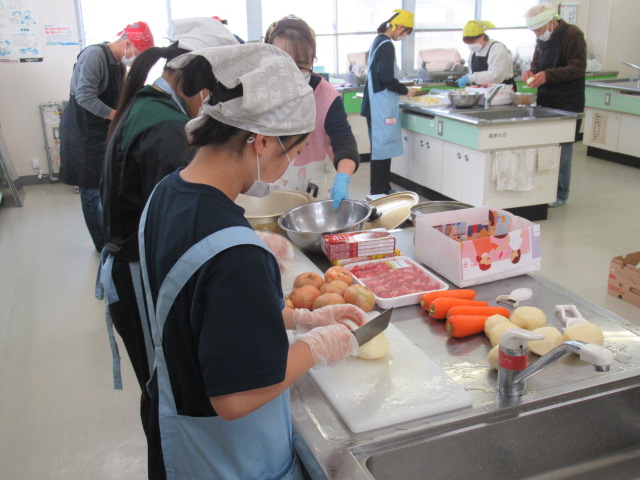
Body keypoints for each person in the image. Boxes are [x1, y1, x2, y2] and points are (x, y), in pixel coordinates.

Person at [138, 43, 369, 479]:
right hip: (230, 459)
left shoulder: (166, 194)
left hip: (178, 438)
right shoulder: (237, 253)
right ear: (261, 141)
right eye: (293, 152)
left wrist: (296, 318)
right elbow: (236, 397)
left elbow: (201, 315)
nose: (290, 166)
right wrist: (314, 347)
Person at [97, 18, 238, 438]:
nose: (212, 105)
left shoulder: (147, 103)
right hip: (139, 279)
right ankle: (170, 462)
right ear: (197, 82)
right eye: (215, 94)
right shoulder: (165, 129)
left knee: (156, 387)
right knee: (164, 391)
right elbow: (181, 225)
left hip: (129, 271)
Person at [59, 22, 154, 252]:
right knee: (91, 191)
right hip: (82, 133)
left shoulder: (118, 64)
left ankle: (111, 236)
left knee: (106, 187)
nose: (136, 60)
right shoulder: (95, 56)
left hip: (102, 131)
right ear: (127, 43)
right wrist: (117, 116)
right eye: (138, 54)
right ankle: (102, 245)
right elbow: (84, 96)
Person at [265, 15, 360, 209]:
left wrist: (343, 177)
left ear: (312, 61)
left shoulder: (326, 96)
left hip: (309, 189)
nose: (292, 72)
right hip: (265, 188)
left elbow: (344, 140)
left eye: (301, 65)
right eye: (283, 63)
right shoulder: (258, 91)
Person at [523, 4, 586, 208]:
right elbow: (537, 63)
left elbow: (578, 67)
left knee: (563, 150)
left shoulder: (572, 34)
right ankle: (543, 190)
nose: (537, 35)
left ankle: (560, 193)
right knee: (545, 146)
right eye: (534, 31)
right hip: (546, 99)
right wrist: (531, 73)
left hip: (568, 101)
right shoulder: (543, 38)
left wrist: (548, 75)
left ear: (551, 22)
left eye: (539, 30)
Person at [361, 9, 416, 195]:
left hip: (376, 106)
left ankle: (383, 189)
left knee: (382, 151)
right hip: (379, 108)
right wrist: (405, 90)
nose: (403, 36)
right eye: (405, 32)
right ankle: (378, 193)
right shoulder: (386, 45)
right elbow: (386, 78)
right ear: (399, 27)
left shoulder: (378, 40)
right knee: (380, 152)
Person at [456, 20, 517, 90]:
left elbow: (496, 75)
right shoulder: (474, 51)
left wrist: (471, 78)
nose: (471, 46)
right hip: (483, 89)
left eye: (473, 42)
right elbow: (472, 73)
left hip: (502, 90)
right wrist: (468, 77)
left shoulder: (497, 48)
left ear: (482, 37)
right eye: (468, 43)